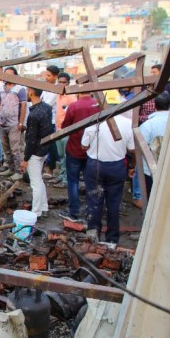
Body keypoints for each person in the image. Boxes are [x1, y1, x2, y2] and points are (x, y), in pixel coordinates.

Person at [81, 113, 136, 243]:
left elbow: (84, 146)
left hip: (95, 165)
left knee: (94, 201)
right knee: (114, 203)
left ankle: (93, 234)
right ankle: (112, 238)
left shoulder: (93, 122)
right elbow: (132, 149)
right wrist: (131, 166)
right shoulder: (127, 123)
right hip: (116, 166)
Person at [60, 93, 100, 222]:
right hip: (92, 150)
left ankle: (74, 212)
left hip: (75, 148)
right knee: (91, 182)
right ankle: (92, 212)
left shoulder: (74, 106)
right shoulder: (98, 105)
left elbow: (65, 126)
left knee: (73, 181)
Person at [21, 87, 54, 218]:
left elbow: (31, 140)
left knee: (35, 183)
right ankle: (43, 206)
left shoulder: (34, 115)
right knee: (39, 180)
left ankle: (36, 212)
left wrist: (25, 159)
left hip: (35, 152)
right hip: (44, 148)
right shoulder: (46, 107)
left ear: (31, 92)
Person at [0, 66, 27, 178]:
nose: (7, 76)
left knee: (15, 149)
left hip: (14, 124)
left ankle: (19, 172)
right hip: (3, 123)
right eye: (5, 74)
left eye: (9, 74)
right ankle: (10, 168)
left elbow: (23, 105)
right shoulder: (2, 88)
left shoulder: (19, 89)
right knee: (6, 148)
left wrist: (21, 122)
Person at [138, 92, 170, 197]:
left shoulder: (147, 125)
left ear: (155, 106)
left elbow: (140, 148)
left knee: (152, 197)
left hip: (151, 170)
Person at [52, 72, 76, 188]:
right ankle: (61, 176)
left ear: (68, 83)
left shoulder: (71, 97)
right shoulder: (58, 95)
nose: (61, 84)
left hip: (67, 130)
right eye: (60, 82)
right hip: (58, 129)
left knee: (67, 156)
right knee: (61, 155)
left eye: (64, 82)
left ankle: (66, 179)